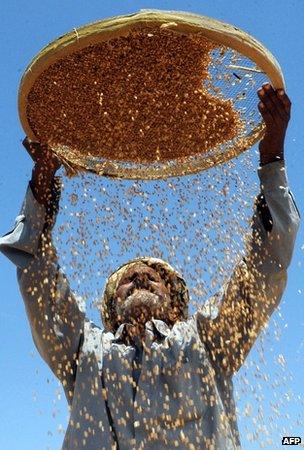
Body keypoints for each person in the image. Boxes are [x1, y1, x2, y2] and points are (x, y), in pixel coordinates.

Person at [0, 83, 300, 450]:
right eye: (128, 279)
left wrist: (272, 158)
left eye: (154, 278)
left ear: (176, 304)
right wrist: (42, 180)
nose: (140, 277)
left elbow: (267, 264)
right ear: (110, 308)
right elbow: (36, 272)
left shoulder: (208, 341)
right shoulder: (83, 353)